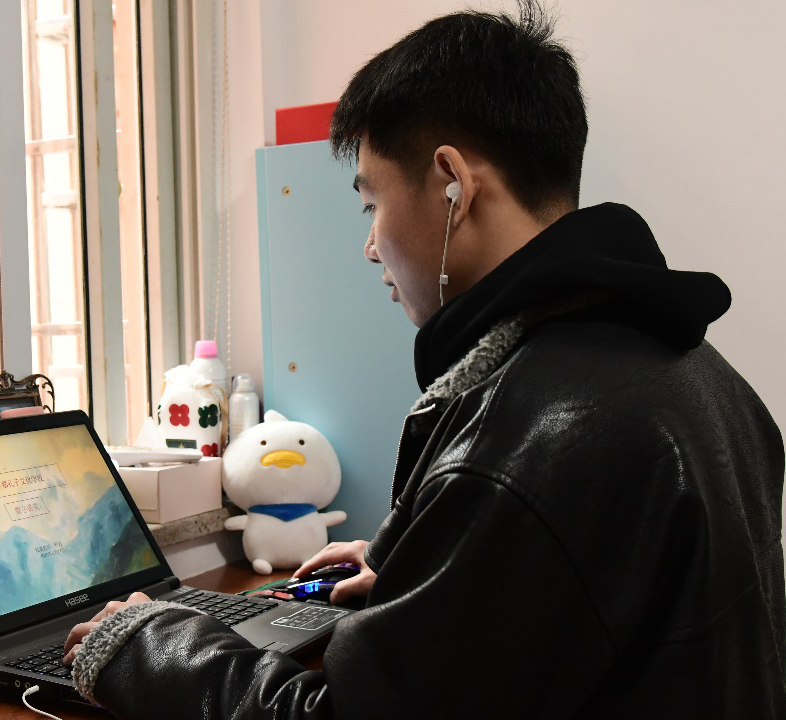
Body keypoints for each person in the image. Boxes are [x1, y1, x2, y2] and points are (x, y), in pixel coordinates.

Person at [63, 2, 786, 717]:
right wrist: (429, 574)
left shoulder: (528, 442)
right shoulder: (695, 370)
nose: (370, 246)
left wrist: (148, 643)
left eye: (370, 204)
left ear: (452, 185)